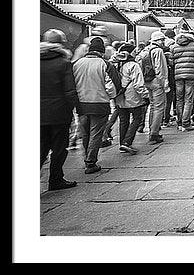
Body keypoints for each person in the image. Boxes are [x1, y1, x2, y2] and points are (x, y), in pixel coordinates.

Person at [73, 37, 121, 173]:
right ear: (102, 51)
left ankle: (86, 157)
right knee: (96, 133)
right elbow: (113, 86)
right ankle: (90, 161)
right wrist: (111, 96)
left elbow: (72, 84)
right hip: (100, 104)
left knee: (85, 133)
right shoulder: (105, 64)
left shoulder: (77, 63)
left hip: (82, 104)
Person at [40, 29, 80, 190]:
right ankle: (56, 179)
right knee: (58, 147)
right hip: (59, 112)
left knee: (40, 146)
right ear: (61, 44)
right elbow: (70, 90)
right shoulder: (64, 63)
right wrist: (76, 108)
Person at [113, 43, 149, 154]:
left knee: (123, 120)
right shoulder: (133, 65)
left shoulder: (116, 64)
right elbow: (138, 84)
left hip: (119, 95)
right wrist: (145, 95)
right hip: (132, 95)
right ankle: (127, 142)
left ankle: (122, 143)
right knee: (137, 118)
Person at [171, 31, 194, 131]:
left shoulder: (174, 47)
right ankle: (186, 123)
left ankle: (180, 122)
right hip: (191, 74)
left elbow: (171, 61)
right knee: (188, 99)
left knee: (179, 99)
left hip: (178, 75)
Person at [140, 31, 170, 143]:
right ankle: (154, 133)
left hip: (146, 81)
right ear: (157, 40)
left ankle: (151, 129)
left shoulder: (145, 50)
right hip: (156, 81)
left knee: (152, 106)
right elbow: (160, 68)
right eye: (162, 40)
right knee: (159, 107)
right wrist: (164, 84)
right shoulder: (158, 51)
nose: (163, 42)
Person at [162, 29, 177, 128]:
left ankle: (163, 118)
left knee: (159, 102)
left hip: (158, 80)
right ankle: (166, 118)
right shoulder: (169, 52)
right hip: (168, 78)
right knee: (168, 99)